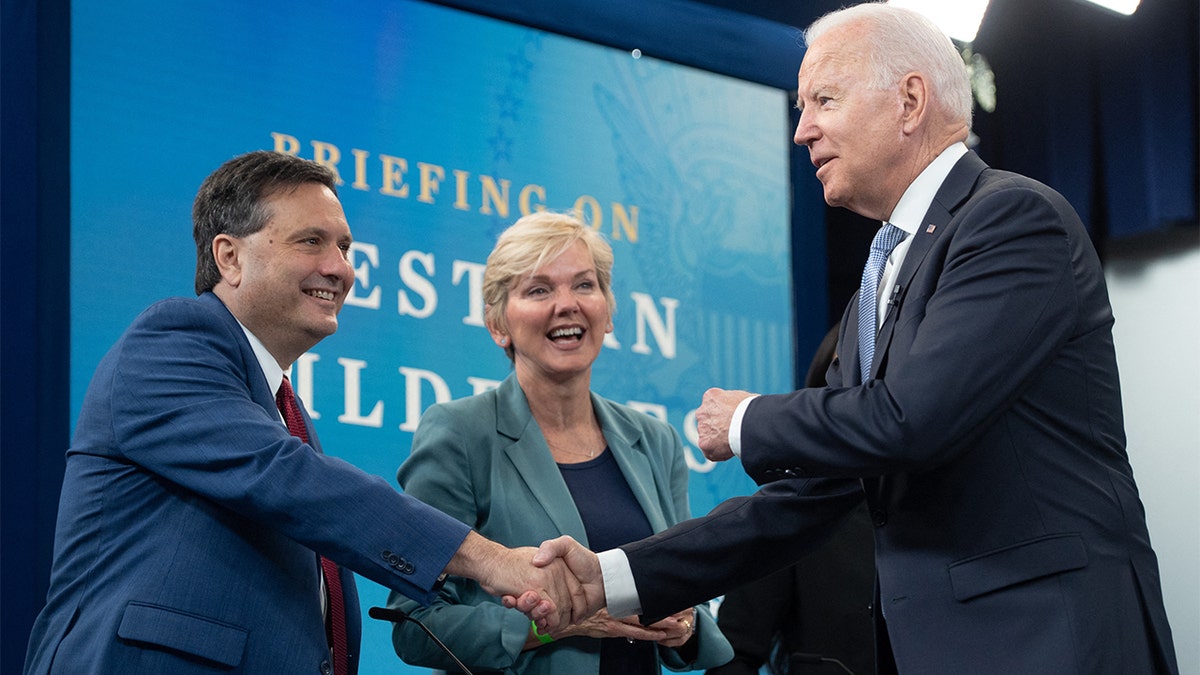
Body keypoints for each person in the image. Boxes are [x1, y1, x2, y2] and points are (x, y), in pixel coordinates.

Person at [520, 4, 1180, 674]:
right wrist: (609, 578)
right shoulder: (873, 289)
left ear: (910, 100)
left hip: (1049, 643)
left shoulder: (1011, 220)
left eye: (823, 101)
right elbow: (811, 495)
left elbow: (912, 417)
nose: (801, 130)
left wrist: (748, 418)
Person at [22, 151, 583, 675]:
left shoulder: (280, 405)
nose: (339, 268)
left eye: (344, 247)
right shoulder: (172, 339)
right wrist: (489, 560)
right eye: (311, 241)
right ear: (229, 257)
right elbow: (287, 479)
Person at [385, 212, 733, 674]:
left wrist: (685, 625)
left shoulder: (655, 441)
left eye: (584, 285)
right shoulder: (460, 432)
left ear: (608, 310)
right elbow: (415, 625)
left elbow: (691, 602)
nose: (566, 304)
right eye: (538, 290)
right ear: (497, 324)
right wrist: (563, 622)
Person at [706, 326, 875, 675]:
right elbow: (732, 656)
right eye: (842, 374)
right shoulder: (790, 514)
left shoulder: (946, 513)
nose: (855, 396)